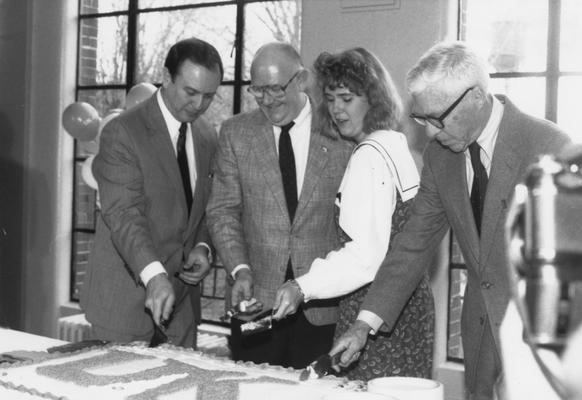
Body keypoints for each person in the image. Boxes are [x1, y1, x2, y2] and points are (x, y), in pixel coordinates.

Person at [330, 41, 572, 400]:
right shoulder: (441, 156)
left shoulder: (550, 147)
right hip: (478, 328)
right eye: (421, 118)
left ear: (476, 97)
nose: (429, 132)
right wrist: (365, 324)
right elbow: (413, 243)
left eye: (437, 118)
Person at [272, 47, 434, 381]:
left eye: (347, 98)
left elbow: (364, 257)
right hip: (407, 307)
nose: (336, 109)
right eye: (330, 99)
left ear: (374, 100)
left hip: (374, 311)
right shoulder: (395, 143)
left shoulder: (368, 155)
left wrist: (301, 286)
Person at [206, 42, 353, 368]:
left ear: (300, 80)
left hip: (322, 307)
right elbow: (222, 210)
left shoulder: (340, 130)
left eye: (274, 89)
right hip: (255, 302)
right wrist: (239, 268)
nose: (266, 100)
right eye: (257, 90)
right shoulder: (235, 133)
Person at [80, 37, 223, 348]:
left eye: (209, 96)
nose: (199, 105)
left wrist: (203, 246)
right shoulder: (123, 131)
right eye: (191, 92)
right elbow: (123, 214)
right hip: (123, 303)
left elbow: (206, 208)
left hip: (182, 305)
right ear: (167, 77)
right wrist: (155, 276)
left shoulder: (206, 135)